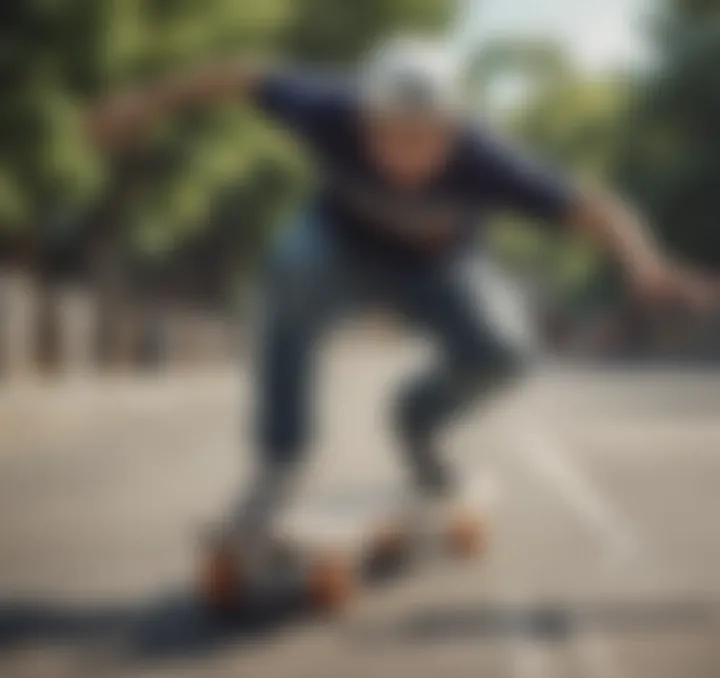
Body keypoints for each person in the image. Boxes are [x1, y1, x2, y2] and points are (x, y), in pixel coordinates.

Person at [88, 36, 715, 558]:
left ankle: (417, 425)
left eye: (426, 140)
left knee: (507, 351)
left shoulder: (486, 158)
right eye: (391, 137)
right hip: (339, 256)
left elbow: (594, 207)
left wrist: (644, 262)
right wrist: (141, 104)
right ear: (365, 121)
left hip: (441, 275)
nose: (408, 157)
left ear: (453, 131)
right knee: (289, 266)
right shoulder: (328, 109)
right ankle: (278, 463)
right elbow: (240, 76)